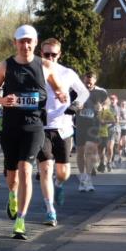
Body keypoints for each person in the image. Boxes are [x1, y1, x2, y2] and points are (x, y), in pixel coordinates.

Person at [0, 25, 68, 240]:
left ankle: (20, 221)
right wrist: (2, 100)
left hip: (35, 126)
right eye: (21, 41)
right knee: (12, 176)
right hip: (11, 126)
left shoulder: (46, 66)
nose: (25, 45)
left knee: (25, 169)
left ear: (35, 42)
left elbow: (59, 88)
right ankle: (12, 195)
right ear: (16, 43)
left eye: (29, 41)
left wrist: (61, 94)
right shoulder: (5, 65)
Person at [34, 38, 88, 225]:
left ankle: (58, 184)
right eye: (46, 54)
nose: (50, 57)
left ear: (59, 55)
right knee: (45, 169)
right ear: (41, 53)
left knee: (63, 172)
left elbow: (84, 92)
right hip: (42, 127)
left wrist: (76, 105)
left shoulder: (67, 73)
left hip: (63, 127)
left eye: (54, 54)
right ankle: (50, 210)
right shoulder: (35, 72)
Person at [75, 72, 108, 192]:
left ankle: (88, 178)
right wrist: (76, 106)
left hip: (94, 125)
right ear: (83, 80)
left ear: (95, 80)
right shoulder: (77, 90)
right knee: (80, 152)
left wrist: (102, 107)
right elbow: (69, 103)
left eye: (90, 82)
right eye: (86, 81)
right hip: (80, 125)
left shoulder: (101, 92)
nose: (88, 84)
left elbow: (107, 103)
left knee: (90, 150)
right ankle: (82, 177)